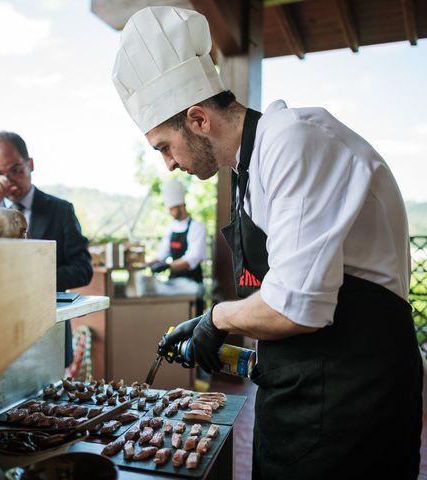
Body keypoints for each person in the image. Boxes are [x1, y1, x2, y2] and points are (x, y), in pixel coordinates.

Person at [112, 6, 422, 479]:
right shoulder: (248, 171)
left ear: (198, 119)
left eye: (163, 147)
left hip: (354, 403)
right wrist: (223, 334)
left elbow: (294, 307)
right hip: (295, 393)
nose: (168, 165)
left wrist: (215, 317)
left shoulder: (294, 142)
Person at [0, 131, 93, 367]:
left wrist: (34, 277)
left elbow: (83, 269)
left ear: (30, 164)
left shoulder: (61, 211)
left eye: (16, 170)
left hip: (49, 331)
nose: (9, 181)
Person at [149, 179, 207, 314]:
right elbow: (162, 254)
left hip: (192, 283)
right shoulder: (171, 227)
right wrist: (148, 263)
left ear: (181, 206)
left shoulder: (197, 227)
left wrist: (168, 266)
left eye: (172, 209)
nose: (170, 212)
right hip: (174, 283)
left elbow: (192, 258)